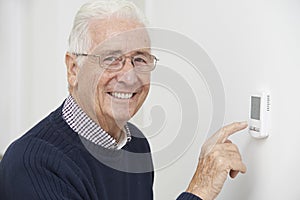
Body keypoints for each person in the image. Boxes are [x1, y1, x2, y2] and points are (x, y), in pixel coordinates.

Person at [0, 1, 247, 200]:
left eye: (139, 59)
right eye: (110, 58)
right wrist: (199, 191)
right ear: (73, 69)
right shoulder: (33, 164)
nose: (129, 77)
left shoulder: (136, 144)